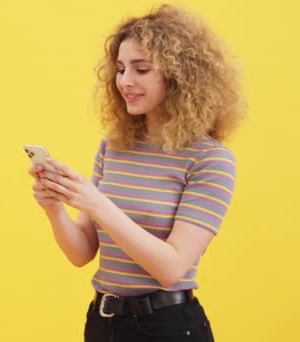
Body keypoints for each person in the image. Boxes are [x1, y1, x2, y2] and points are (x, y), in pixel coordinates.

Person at [27, 4, 245, 341]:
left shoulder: (211, 160)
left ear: (178, 76)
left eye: (141, 69)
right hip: (103, 323)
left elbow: (172, 269)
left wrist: (97, 204)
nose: (125, 81)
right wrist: (55, 208)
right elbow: (82, 253)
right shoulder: (115, 146)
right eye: (120, 68)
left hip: (168, 326)